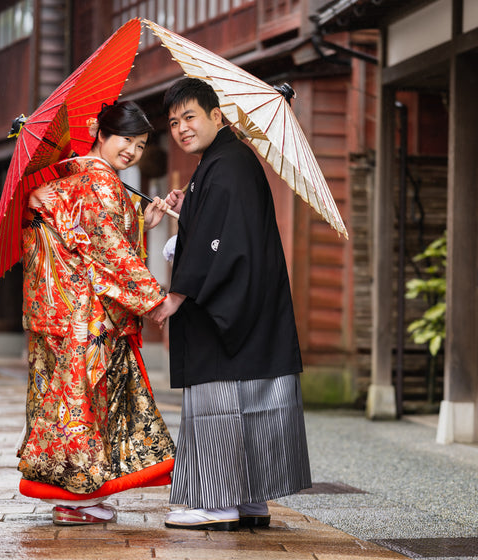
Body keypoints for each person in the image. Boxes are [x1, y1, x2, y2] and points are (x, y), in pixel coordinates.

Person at [147, 77, 312, 531]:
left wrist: (178, 292)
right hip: (252, 306)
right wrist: (191, 204)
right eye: (174, 122)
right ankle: (249, 498)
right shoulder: (223, 162)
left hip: (227, 310)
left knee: (219, 400)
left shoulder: (226, 165)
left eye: (190, 117)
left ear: (216, 115)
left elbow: (220, 241)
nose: (181, 128)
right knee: (252, 399)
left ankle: (217, 500)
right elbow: (219, 228)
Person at [17, 100, 176, 525]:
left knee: (69, 399)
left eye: (141, 145)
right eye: (127, 140)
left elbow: (91, 240)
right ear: (102, 134)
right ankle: (75, 499)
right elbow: (107, 248)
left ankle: (76, 494)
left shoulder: (79, 176)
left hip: (64, 313)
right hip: (88, 316)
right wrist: (153, 299)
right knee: (84, 400)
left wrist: (143, 221)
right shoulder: (101, 183)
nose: (133, 151)